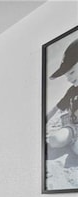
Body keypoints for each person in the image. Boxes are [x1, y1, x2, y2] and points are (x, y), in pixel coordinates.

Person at [46, 37, 78, 168]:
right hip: (73, 128)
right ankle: (72, 141)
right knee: (54, 140)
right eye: (66, 76)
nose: (69, 79)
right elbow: (56, 108)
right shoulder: (71, 91)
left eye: (71, 72)